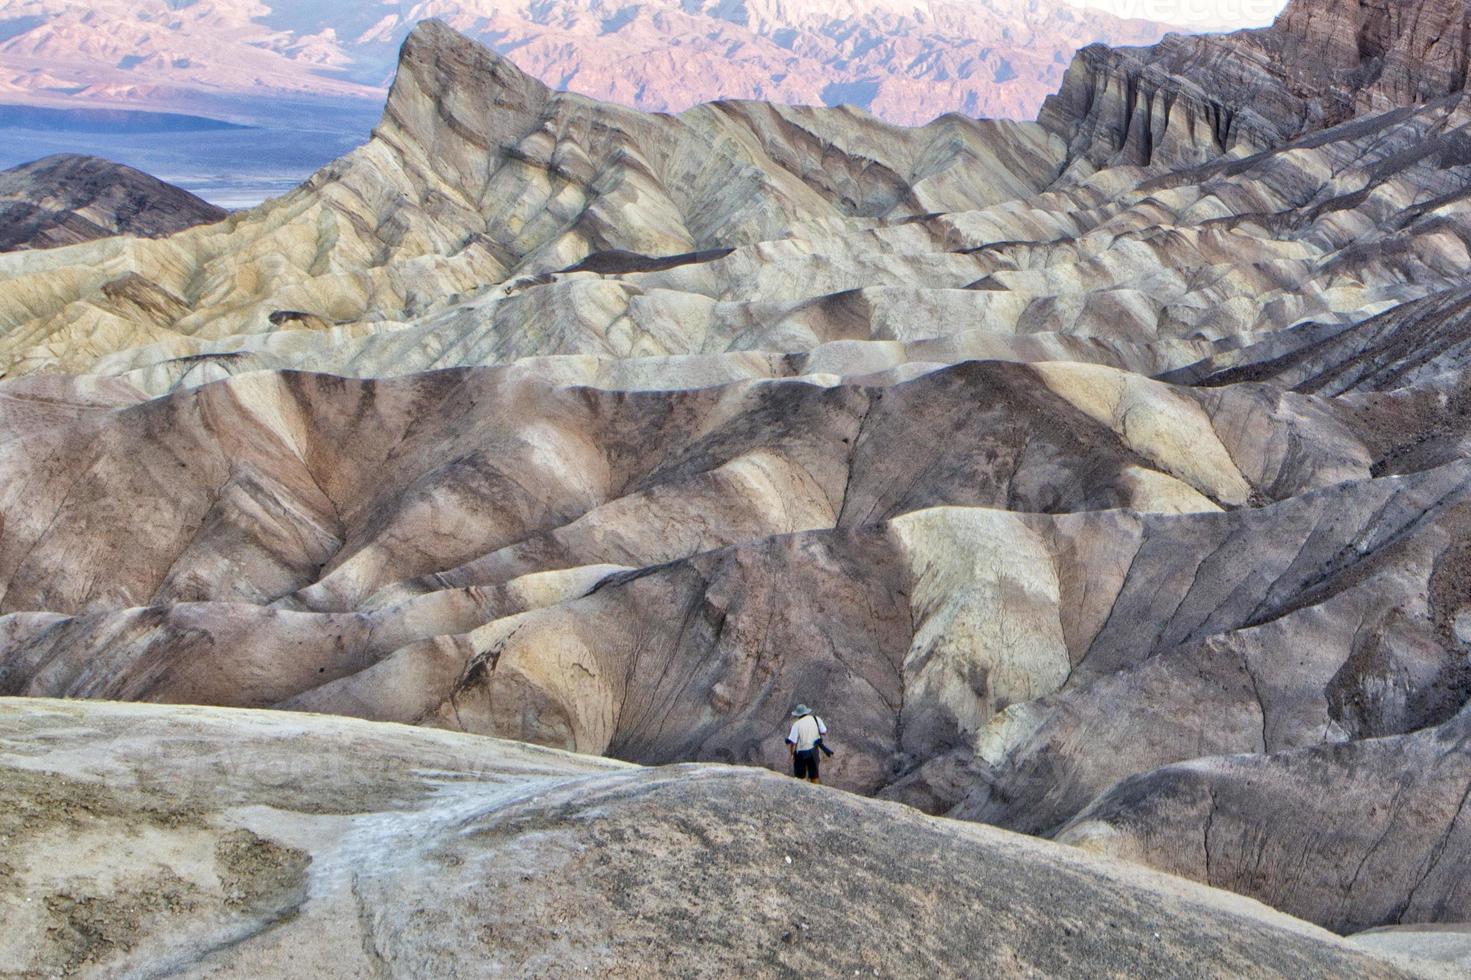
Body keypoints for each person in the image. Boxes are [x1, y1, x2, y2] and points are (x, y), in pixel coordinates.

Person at [785, 703, 828, 784]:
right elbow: (824, 732)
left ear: (797, 715)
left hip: (801, 753)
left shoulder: (796, 724)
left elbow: (793, 742)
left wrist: (792, 754)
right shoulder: (816, 719)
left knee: (800, 777)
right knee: (814, 776)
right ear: (807, 712)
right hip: (814, 751)